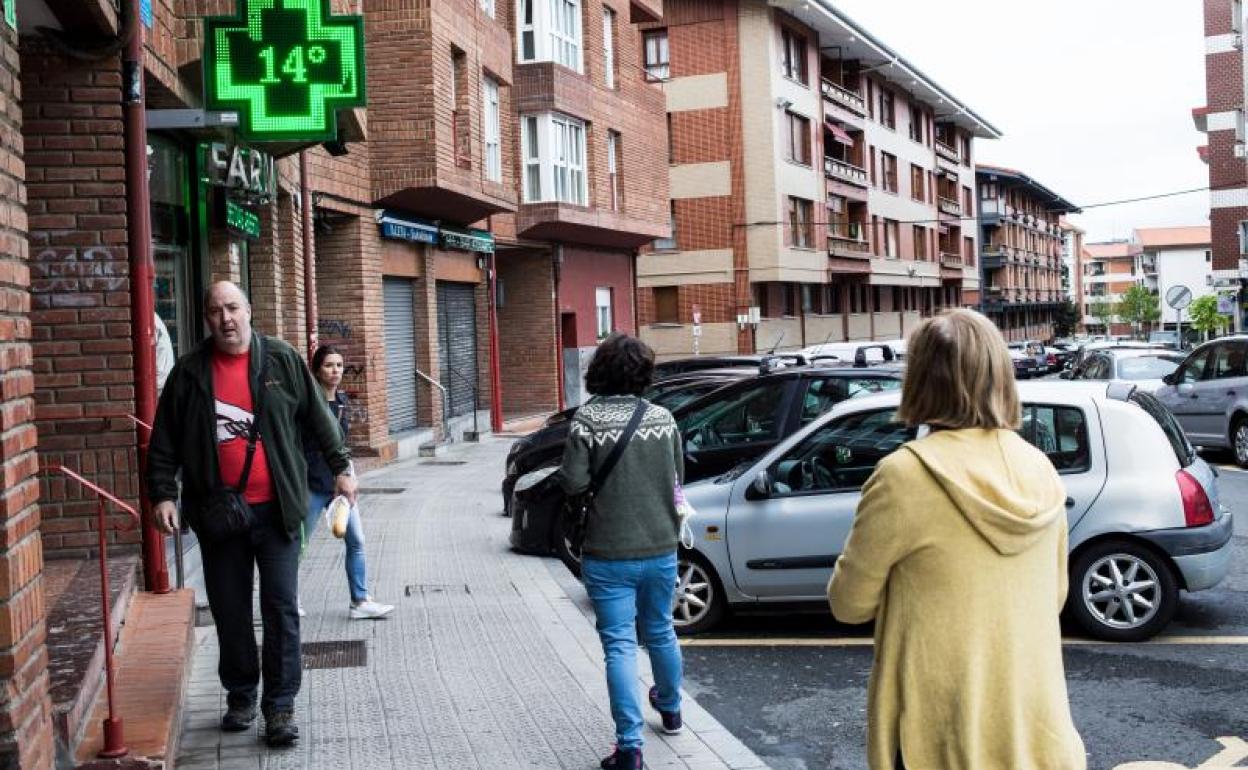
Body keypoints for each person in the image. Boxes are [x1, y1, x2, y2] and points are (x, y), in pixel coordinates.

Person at [826, 309, 1085, 770]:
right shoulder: (1039, 467)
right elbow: (1055, 594)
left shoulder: (905, 474)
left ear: (920, 379)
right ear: (1000, 375)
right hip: (1032, 729)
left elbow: (849, 604)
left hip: (938, 732)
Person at [147, 281, 357, 748]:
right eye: (216, 310)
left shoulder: (280, 360)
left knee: (280, 607)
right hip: (220, 515)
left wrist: (342, 466)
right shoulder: (189, 373)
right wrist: (163, 494)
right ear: (206, 318)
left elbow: (320, 419)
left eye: (233, 308)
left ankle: (280, 706)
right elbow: (164, 440)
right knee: (230, 609)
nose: (226, 318)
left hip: (279, 510)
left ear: (249, 310)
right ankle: (241, 692)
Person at [560, 333, 685, 770]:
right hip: (661, 545)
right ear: (643, 373)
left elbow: (573, 483)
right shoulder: (664, 419)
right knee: (661, 630)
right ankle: (670, 710)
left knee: (619, 646)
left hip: (608, 550)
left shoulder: (585, 421)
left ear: (600, 370)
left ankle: (630, 748)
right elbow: (677, 482)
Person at [300, 344, 393, 619]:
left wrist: (349, 475)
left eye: (339, 365)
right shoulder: (307, 405)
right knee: (298, 546)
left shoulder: (341, 400)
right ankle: (288, 600)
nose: (335, 371)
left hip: (340, 486)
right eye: (329, 365)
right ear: (317, 370)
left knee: (356, 540)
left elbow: (341, 445)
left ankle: (360, 601)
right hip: (313, 484)